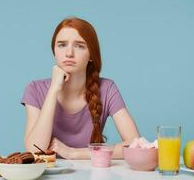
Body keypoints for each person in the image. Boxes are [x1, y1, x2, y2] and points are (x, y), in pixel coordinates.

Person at [21, 17, 139, 159]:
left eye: (79, 46)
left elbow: (135, 144)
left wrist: (74, 153)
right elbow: (34, 149)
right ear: (54, 50)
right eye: (62, 45)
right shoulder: (34, 89)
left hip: (94, 176)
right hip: (49, 178)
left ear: (91, 54)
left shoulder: (107, 89)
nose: (69, 53)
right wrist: (53, 90)